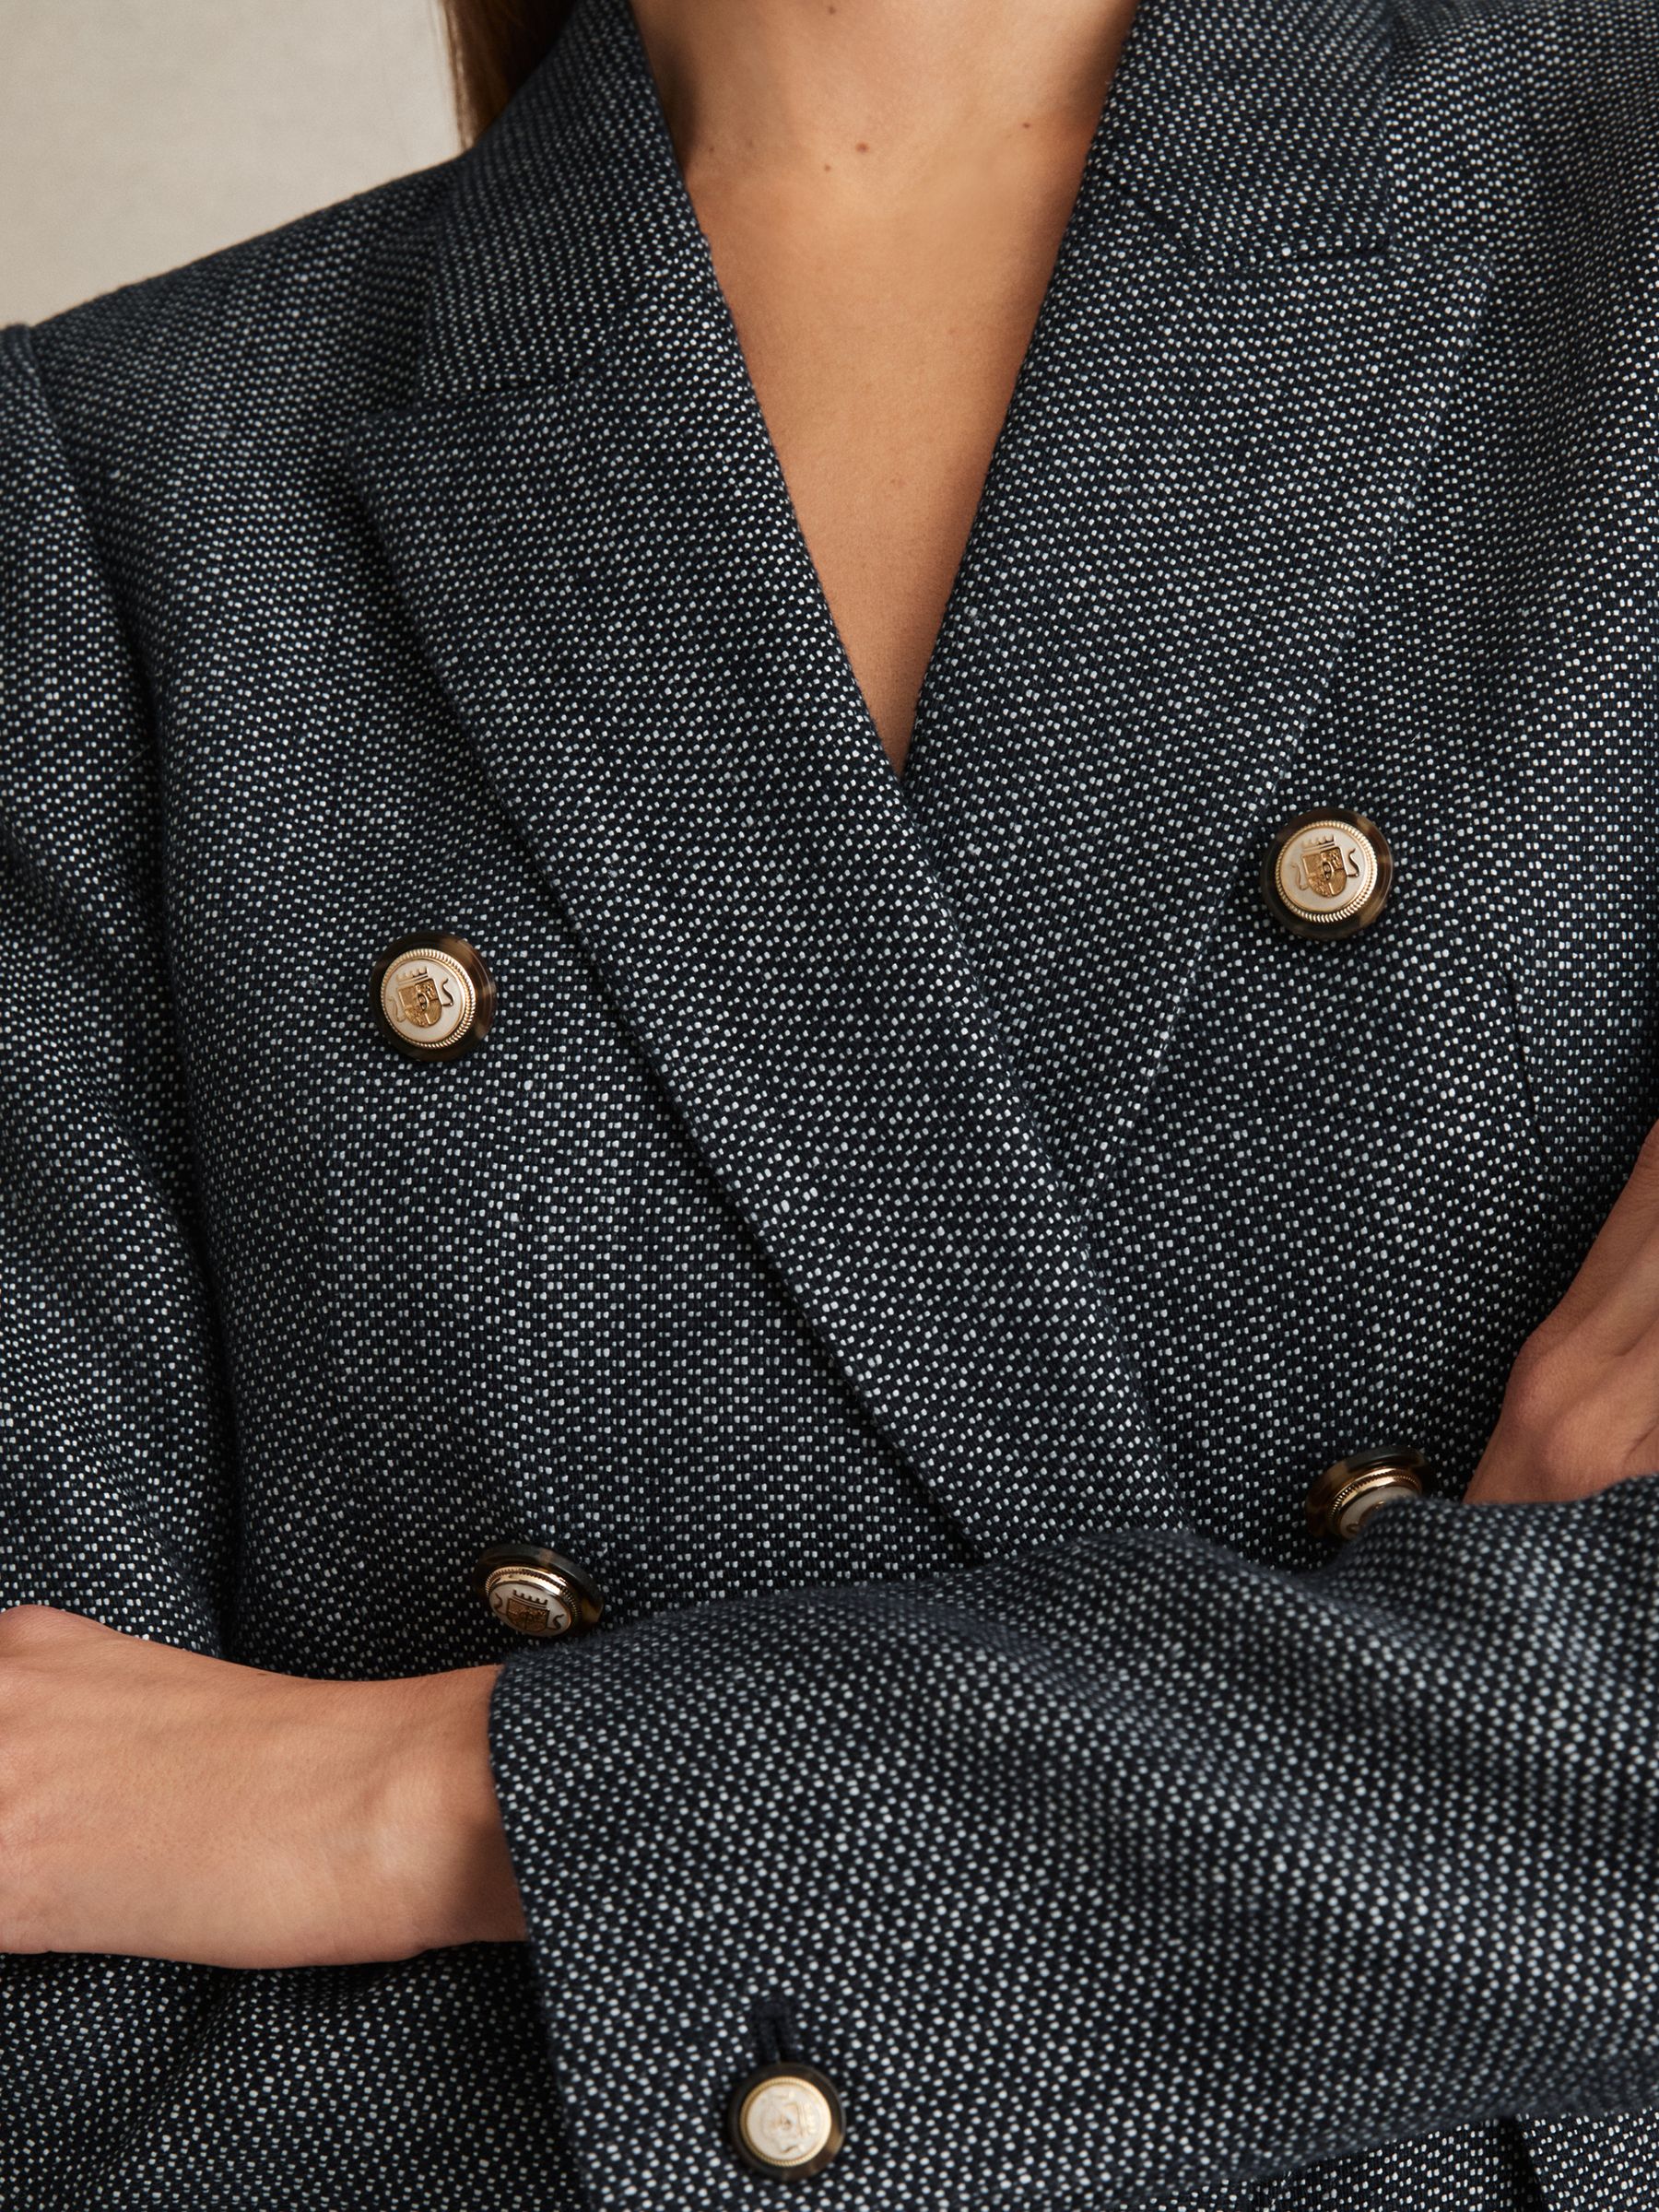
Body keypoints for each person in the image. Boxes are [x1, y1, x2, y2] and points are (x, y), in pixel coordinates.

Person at [2, 0, 1658, 2203]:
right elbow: (66, 2004)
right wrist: (1453, 1784)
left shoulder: (1611, 202)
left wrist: (426, 1809)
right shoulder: (127, 481)